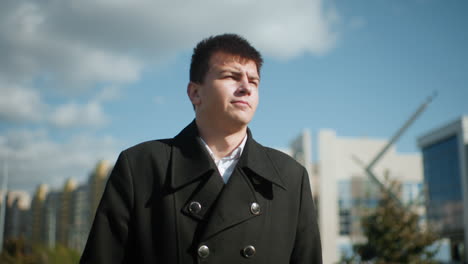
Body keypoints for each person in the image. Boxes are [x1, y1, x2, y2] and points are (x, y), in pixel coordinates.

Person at [80, 33, 322, 264]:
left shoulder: (290, 177)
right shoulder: (141, 166)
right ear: (195, 92)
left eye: (254, 81)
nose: (246, 87)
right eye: (231, 76)